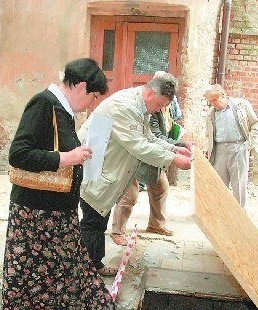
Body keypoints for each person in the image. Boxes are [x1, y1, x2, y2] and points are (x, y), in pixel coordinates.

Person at [1, 58, 117, 310]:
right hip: (33, 214)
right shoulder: (43, 104)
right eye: (93, 97)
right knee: (25, 280)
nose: (92, 104)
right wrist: (67, 157)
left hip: (58, 214)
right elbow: (18, 154)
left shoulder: (63, 110)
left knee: (56, 275)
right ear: (80, 86)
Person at [79, 72, 192, 275]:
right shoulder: (124, 107)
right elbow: (138, 145)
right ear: (150, 93)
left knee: (98, 218)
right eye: (159, 104)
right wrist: (172, 159)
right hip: (94, 167)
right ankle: (87, 270)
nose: (160, 109)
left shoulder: (141, 107)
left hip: (109, 166)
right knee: (92, 220)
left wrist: (173, 149)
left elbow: (147, 137)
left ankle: (91, 265)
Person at [109, 92, 193, 245]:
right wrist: (175, 150)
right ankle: (117, 231)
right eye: (162, 103)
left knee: (161, 187)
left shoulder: (169, 107)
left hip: (155, 155)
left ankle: (156, 225)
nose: (164, 106)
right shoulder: (144, 109)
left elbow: (157, 136)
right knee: (129, 195)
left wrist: (174, 148)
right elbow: (151, 138)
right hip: (134, 156)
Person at [203, 84, 258, 208]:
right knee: (219, 185)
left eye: (214, 100)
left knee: (239, 185)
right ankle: (223, 215)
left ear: (223, 95)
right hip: (219, 150)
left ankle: (241, 217)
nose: (213, 104)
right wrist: (207, 149)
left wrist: (247, 145)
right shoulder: (210, 114)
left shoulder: (241, 105)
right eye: (210, 101)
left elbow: (255, 125)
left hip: (238, 147)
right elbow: (209, 135)